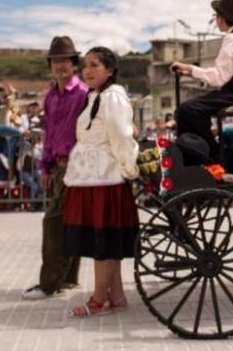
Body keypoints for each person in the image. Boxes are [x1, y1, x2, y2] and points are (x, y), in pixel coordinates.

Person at [64, 46, 140, 317]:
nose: (87, 70)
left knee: (104, 240)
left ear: (110, 71)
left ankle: (99, 300)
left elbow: (121, 137)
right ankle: (116, 296)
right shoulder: (95, 96)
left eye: (94, 65)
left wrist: (128, 169)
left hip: (105, 178)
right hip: (92, 177)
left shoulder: (113, 97)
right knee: (104, 237)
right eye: (85, 65)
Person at [22, 36, 89, 300]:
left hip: (79, 165)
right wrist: (45, 167)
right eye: (55, 61)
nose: (60, 65)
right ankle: (69, 278)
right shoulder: (50, 96)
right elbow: (49, 134)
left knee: (53, 221)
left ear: (75, 65)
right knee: (67, 220)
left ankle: (49, 284)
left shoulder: (83, 93)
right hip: (59, 166)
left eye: (65, 60)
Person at [170, 0, 233, 161]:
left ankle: (211, 156)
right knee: (189, 109)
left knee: (187, 110)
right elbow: (226, 75)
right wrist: (191, 73)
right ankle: (211, 153)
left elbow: (219, 77)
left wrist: (191, 69)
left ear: (220, 18)